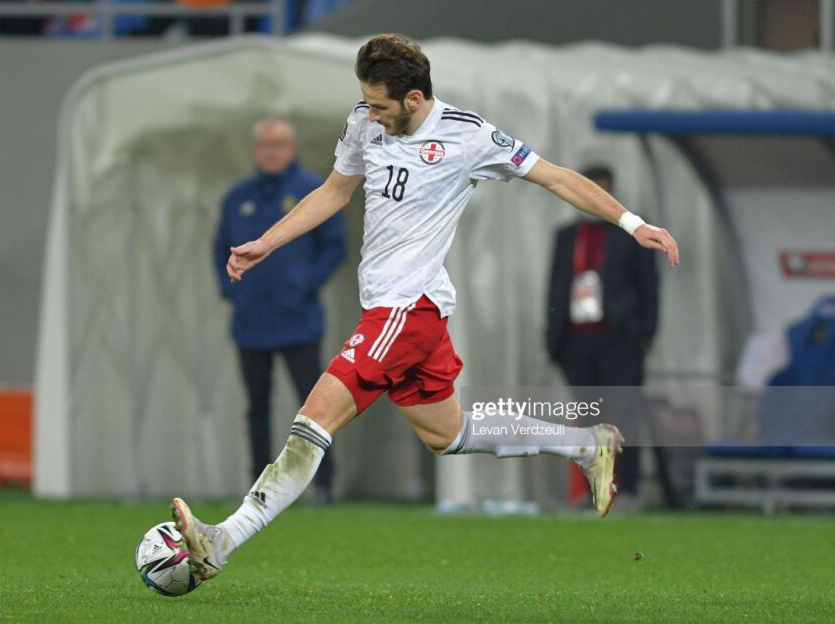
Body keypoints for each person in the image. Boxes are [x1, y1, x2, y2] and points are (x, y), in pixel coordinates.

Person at [173, 33, 680, 581]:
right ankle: (585, 445)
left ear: (414, 98)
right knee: (448, 434)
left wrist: (634, 224)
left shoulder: (468, 136)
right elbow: (334, 191)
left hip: (405, 309)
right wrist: (267, 243)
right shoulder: (363, 121)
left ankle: (223, 540)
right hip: (401, 310)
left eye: (380, 105)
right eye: (366, 102)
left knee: (313, 420)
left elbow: (557, 177)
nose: (370, 114)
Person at [214, 117, 346, 504]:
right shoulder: (238, 196)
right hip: (251, 320)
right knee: (257, 405)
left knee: (315, 405)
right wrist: (232, 291)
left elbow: (334, 246)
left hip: (299, 320)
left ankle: (322, 485)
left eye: (279, 145)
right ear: (256, 150)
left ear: (292, 148)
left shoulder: (313, 191)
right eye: (265, 145)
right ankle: (259, 490)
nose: (271, 152)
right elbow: (219, 247)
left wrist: (304, 284)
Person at [546, 166, 659, 508]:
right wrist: (553, 337)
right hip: (577, 339)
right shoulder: (567, 236)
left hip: (618, 337)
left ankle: (629, 489)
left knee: (624, 412)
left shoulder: (629, 235)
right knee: (588, 416)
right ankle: (593, 490)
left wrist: (645, 331)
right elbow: (556, 286)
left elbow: (648, 285)